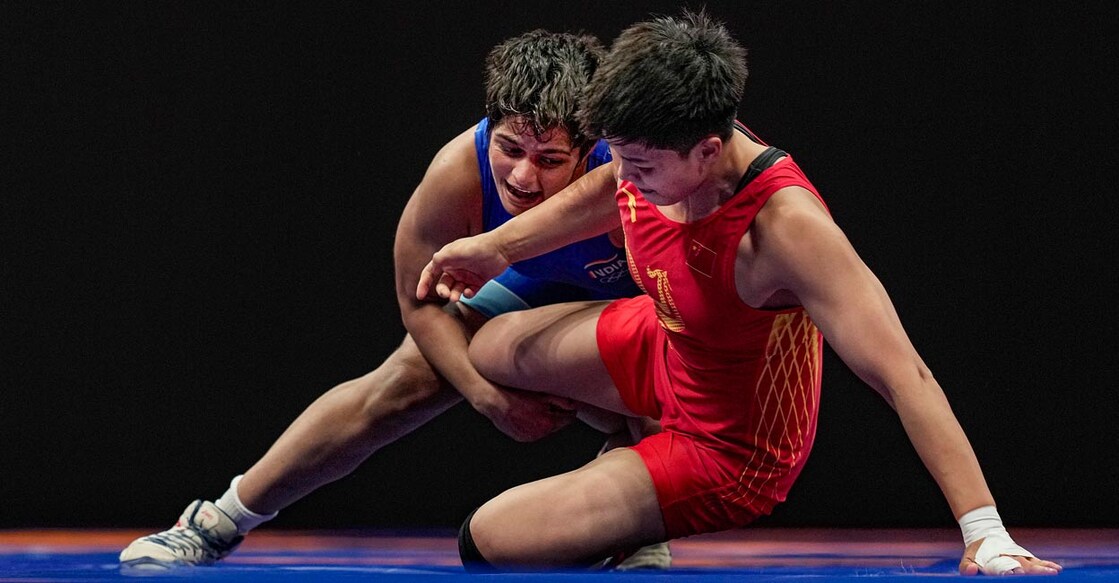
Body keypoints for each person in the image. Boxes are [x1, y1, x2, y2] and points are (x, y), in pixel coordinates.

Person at [418, 10, 1063, 576]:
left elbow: (906, 376)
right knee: (491, 347)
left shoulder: (787, 230)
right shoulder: (660, 139)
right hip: (670, 347)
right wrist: (499, 248)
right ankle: (628, 452)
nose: (627, 180)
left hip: (728, 447)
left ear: (707, 151)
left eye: (641, 168)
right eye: (622, 160)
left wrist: (986, 533)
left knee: (488, 540)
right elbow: (608, 184)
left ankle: (633, 500)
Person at [119, 30, 668, 570]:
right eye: (509, 148)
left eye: (549, 159)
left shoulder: (628, 175)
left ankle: (640, 527)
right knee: (402, 382)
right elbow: (420, 303)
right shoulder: (457, 170)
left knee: (653, 391)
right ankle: (216, 522)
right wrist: (485, 396)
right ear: (488, 127)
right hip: (537, 292)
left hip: (638, 308)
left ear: (590, 145)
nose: (523, 177)